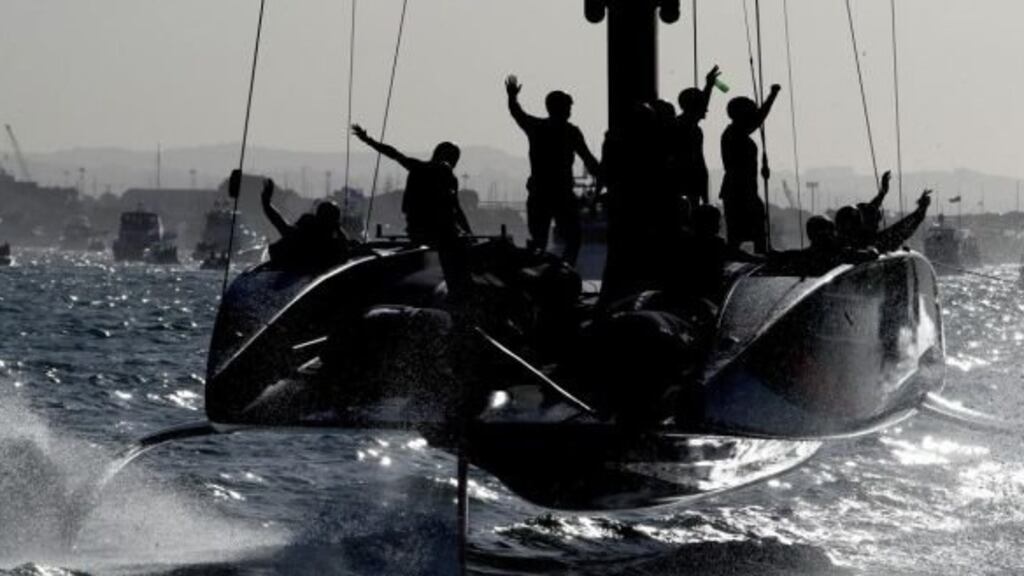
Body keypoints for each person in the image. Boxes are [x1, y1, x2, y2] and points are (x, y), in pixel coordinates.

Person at [351, 124, 473, 291]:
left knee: (457, 243)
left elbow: (394, 154)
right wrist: (469, 233)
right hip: (434, 232)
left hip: (420, 230)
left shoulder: (421, 168)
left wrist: (368, 140)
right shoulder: (443, 174)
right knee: (459, 250)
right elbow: (456, 209)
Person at [505, 75, 602, 265]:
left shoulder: (537, 127)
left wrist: (512, 97)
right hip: (561, 194)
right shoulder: (571, 132)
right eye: (568, 107)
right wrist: (603, 178)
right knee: (573, 238)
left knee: (539, 241)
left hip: (540, 193)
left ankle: (541, 273)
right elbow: (588, 160)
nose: (570, 111)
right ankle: (564, 270)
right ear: (562, 108)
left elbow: (517, 113)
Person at [719, 84, 781, 254]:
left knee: (746, 227)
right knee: (748, 227)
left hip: (739, 188)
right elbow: (759, 119)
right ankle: (761, 254)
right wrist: (772, 96)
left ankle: (760, 252)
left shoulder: (734, 132)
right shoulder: (735, 133)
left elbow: (757, 119)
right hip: (739, 189)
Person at [258, 172, 350, 271]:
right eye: (328, 219)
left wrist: (266, 204)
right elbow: (282, 225)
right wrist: (266, 204)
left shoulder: (334, 242)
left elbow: (345, 250)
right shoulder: (307, 232)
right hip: (289, 269)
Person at [672, 65, 721, 207]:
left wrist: (709, 86)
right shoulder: (688, 128)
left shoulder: (684, 126)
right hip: (688, 183)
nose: (706, 109)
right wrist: (709, 86)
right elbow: (699, 164)